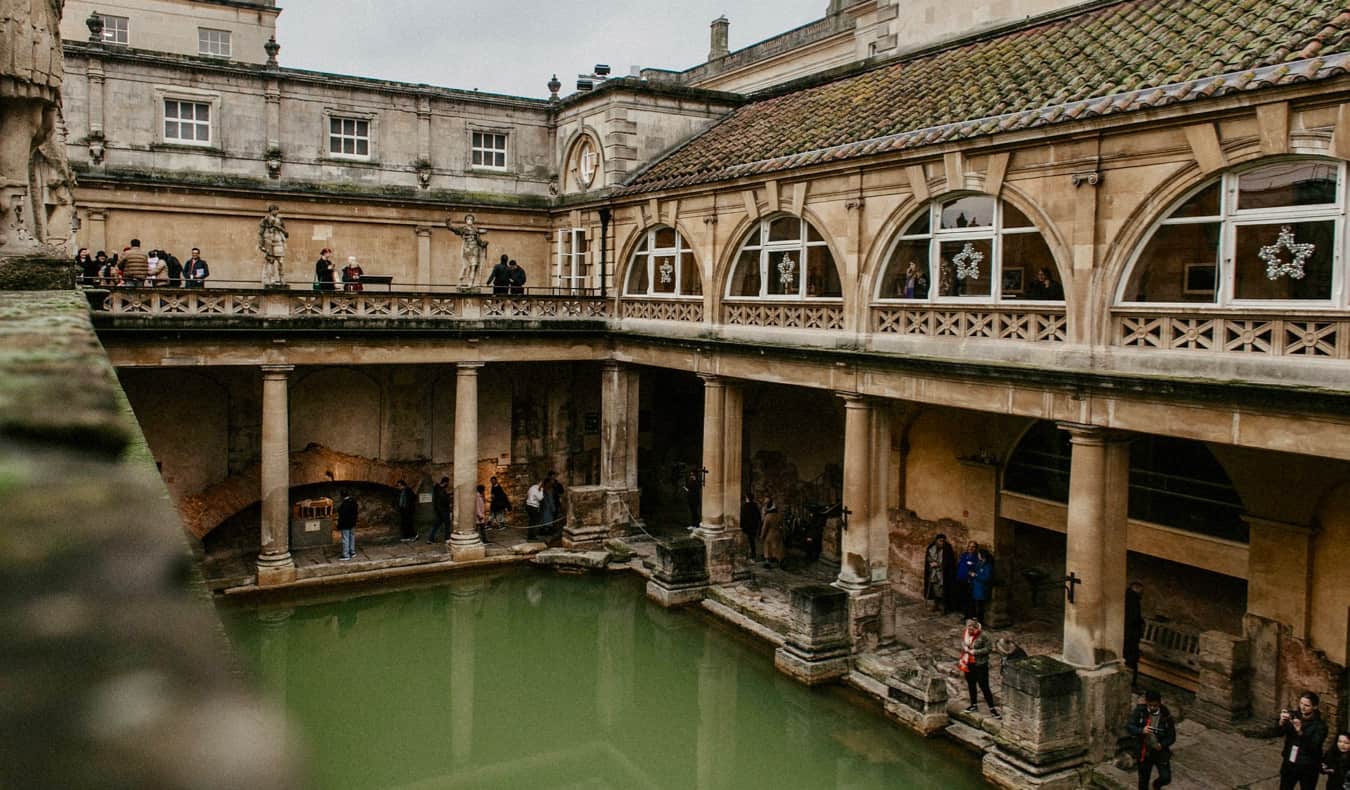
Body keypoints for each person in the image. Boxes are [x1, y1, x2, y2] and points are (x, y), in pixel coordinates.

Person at [1126, 689, 1176, 790]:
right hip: (1144, 751)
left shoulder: (1166, 715)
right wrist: (1141, 730)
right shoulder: (1140, 711)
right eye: (1150, 705)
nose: (1152, 708)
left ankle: (1156, 785)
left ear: (1159, 703)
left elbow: (1171, 736)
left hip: (1160, 752)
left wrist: (1162, 745)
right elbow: (1130, 726)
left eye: (1155, 706)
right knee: (1143, 780)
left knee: (1166, 777)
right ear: (1146, 703)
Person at [1280, 692, 1329, 790]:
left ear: (1314, 707)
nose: (1302, 707)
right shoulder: (1294, 715)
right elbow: (1278, 733)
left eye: (1307, 705)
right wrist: (1281, 722)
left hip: (1308, 766)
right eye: (1301, 703)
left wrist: (1300, 731)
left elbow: (1314, 745)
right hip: (1290, 762)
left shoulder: (1320, 726)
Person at [958, 618, 999, 718]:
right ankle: (973, 705)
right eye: (969, 629)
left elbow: (989, 649)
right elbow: (963, 642)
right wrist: (965, 648)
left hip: (980, 664)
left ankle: (992, 709)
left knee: (984, 686)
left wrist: (975, 652)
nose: (970, 632)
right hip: (968, 662)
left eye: (972, 630)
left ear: (976, 628)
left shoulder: (984, 636)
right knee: (971, 684)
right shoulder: (966, 633)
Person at [924, 533, 957, 613]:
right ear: (936, 541)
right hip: (934, 573)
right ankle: (936, 605)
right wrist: (931, 563)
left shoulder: (947, 550)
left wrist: (939, 564)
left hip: (943, 574)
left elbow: (949, 562)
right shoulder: (931, 548)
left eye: (943, 541)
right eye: (940, 541)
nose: (942, 543)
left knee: (943, 591)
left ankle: (945, 607)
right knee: (935, 590)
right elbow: (928, 558)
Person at [1125, 581, 1145, 688]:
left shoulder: (1126, 597)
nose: (1142, 595)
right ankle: (1131, 683)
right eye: (1142, 592)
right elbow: (1133, 619)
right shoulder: (1133, 601)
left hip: (1127, 635)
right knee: (1131, 660)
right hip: (1130, 637)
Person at [969, 548, 994, 623]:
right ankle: (975, 619)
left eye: (979, 554)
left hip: (981, 588)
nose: (978, 555)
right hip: (976, 587)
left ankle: (980, 621)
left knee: (980, 606)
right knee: (975, 605)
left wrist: (975, 575)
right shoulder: (979, 563)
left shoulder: (987, 566)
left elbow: (986, 578)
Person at [760, 497, 785, 567]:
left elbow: (764, 527)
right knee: (778, 547)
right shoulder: (779, 515)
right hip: (778, 533)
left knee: (767, 547)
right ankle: (779, 560)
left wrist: (762, 535)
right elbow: (782, 525)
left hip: (770, 533)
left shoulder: (768, 516)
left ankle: (767, 561)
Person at [336, 490, 358, 561]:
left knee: (345, 538)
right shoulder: (353, 501)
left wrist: (339, 524)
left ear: (342, 496)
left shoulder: (344, 504)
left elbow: (341, 513)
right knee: (352, 537)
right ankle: (352, 552)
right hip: (352, 522)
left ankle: (346, 555)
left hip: (345, 524)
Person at [428, 476, 450, 543]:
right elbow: (443, 500)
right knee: (447, 524)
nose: (448, 484)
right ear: (445, 482)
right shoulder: (441, 490)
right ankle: (447, 538)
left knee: (437, 524)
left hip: (438, 509)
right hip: (443, 510)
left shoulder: (436, 488)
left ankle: (430, 539)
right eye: (447, 483)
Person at [740, 491, 762, 559]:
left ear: (747, 498)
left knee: (746, 541)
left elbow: (742, 517)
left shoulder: (745, 506)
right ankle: (753, 553)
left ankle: (746, 554)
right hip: (753, 526)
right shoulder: (755, 506)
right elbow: (759, 516)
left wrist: (741, 526)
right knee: (752, 541)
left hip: (746, 527)